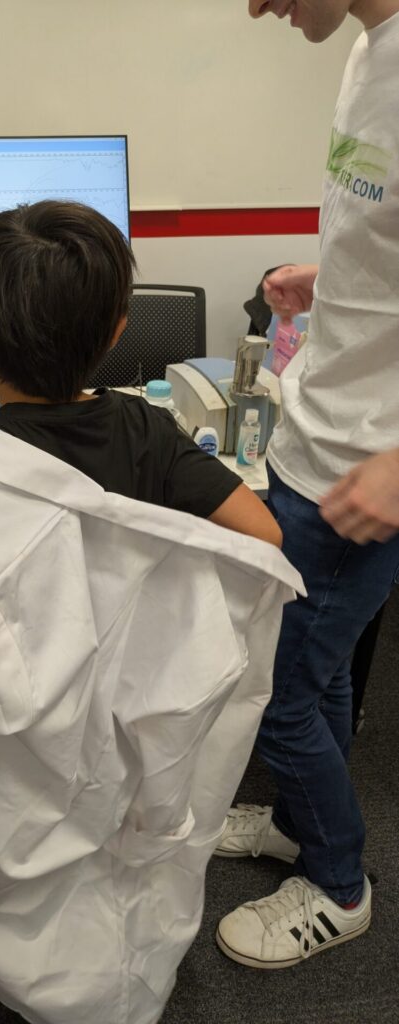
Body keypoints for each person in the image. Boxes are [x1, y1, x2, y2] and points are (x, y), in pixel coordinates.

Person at [0, 200, 302, 1024]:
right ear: (117, 331)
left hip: (22, 731)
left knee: (30, 873)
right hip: (136, 707)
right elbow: (262, 542)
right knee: (120, 857)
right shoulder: (145, 427)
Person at [215, 0, 399, 969]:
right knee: (310, 671)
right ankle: (299, 822)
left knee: (279, 692)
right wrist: (328, 277)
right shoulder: (370, 49)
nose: (258, 4)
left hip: (369, 471)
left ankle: (337, 884)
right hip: (311, 439)